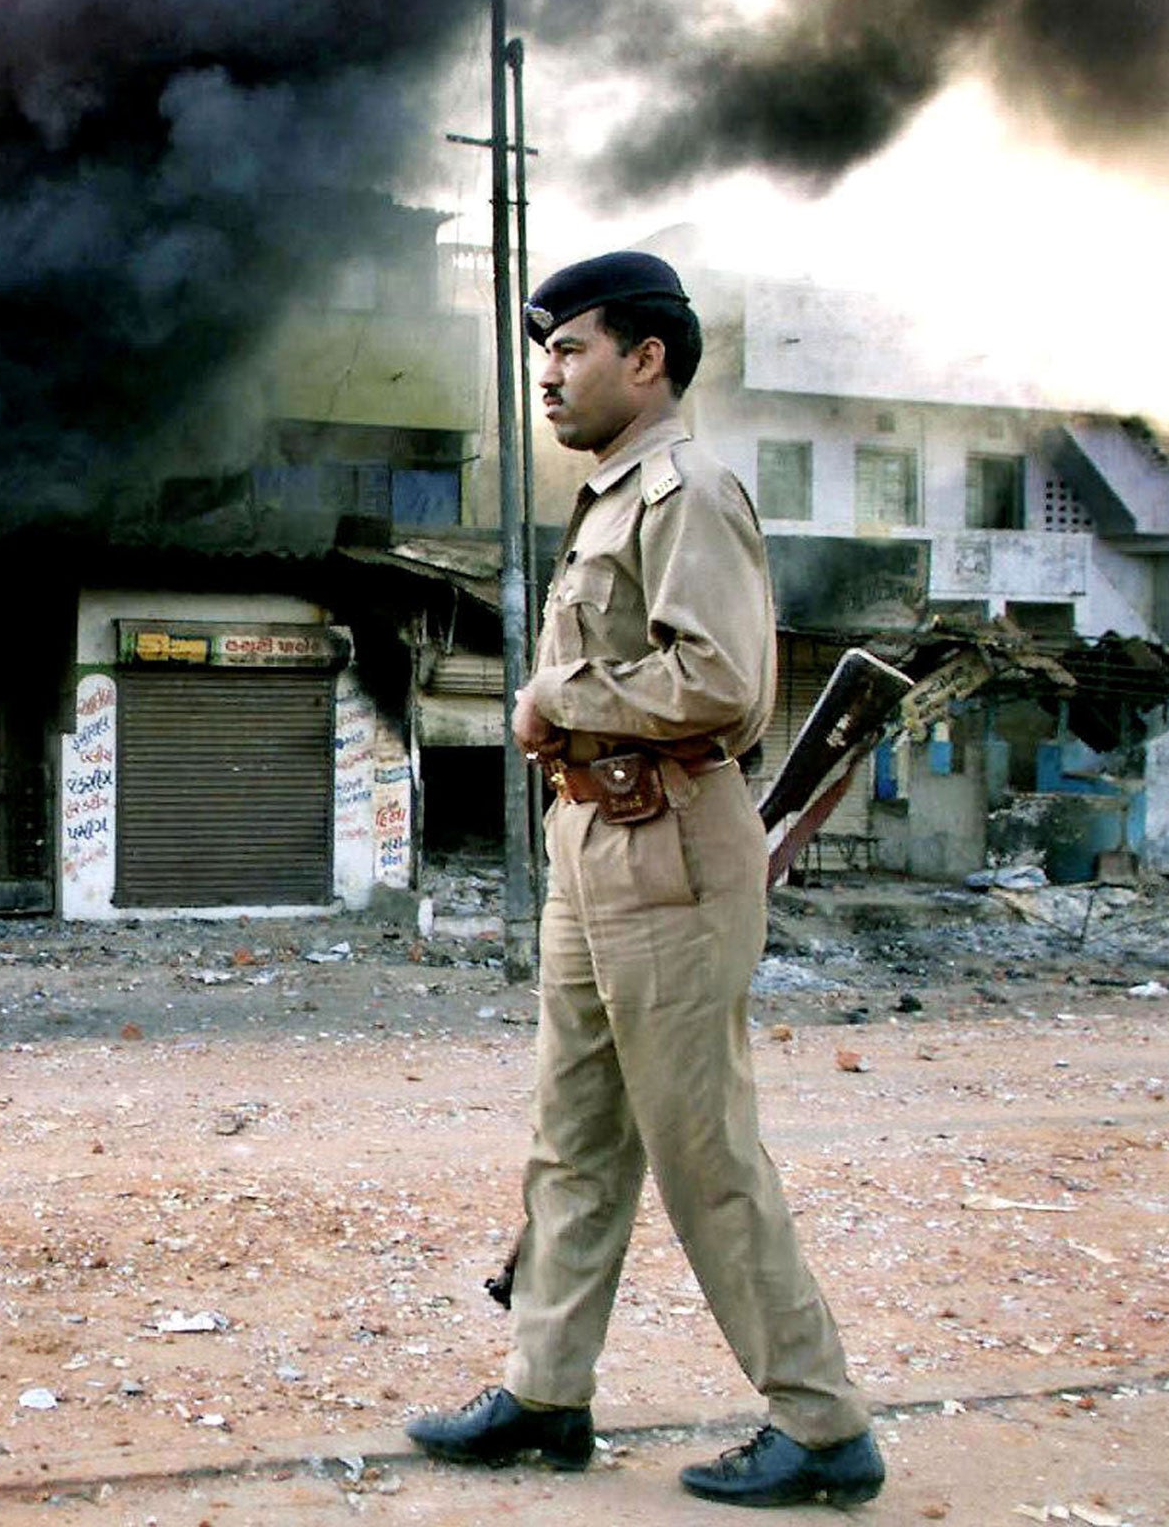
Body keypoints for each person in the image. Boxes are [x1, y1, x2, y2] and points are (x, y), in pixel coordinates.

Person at [403, 250, 885, 1509]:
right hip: (595, 840)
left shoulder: (683, 489)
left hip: (668, 843)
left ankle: (823, 1426)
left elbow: (721, 678)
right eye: (544, 354)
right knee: (571, 1142)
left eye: (569, 350)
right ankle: (545, 1395)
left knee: (700, 1150)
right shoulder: (613, 496)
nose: (547, 376)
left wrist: (552, 696)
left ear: (646, 358)